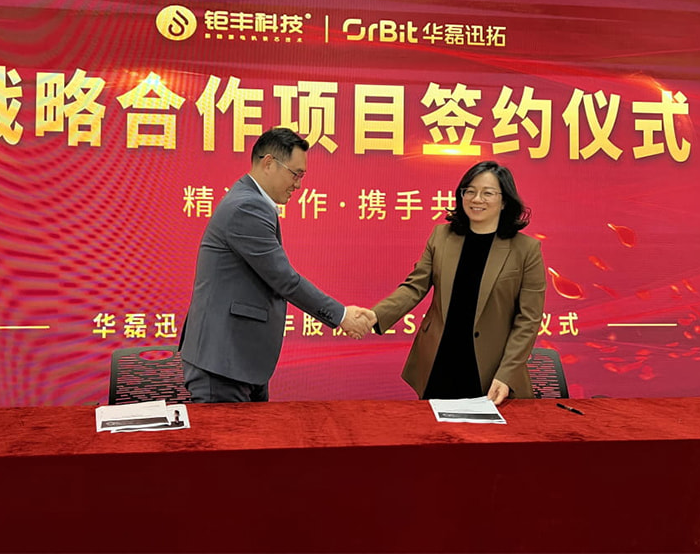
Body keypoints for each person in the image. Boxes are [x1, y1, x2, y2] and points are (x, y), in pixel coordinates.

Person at [181, 127, 374, 403]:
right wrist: (342, 316)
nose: (299, 185)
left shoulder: (249, 200)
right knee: (226, 433)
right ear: (269, 163)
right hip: (223, 363)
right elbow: (284, 280)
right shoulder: (246, 207)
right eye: (296, 174)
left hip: (240, 359)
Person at [372, 160, 546, 404]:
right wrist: (374, 316)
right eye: (470, 191)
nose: (477, 199)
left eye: (488, 193)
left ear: (504, 201)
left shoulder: (526, 249)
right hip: (440, 360)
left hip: (491, 367)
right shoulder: (441, 236)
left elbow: (528, 320)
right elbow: (414, 287)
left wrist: (507, 374)